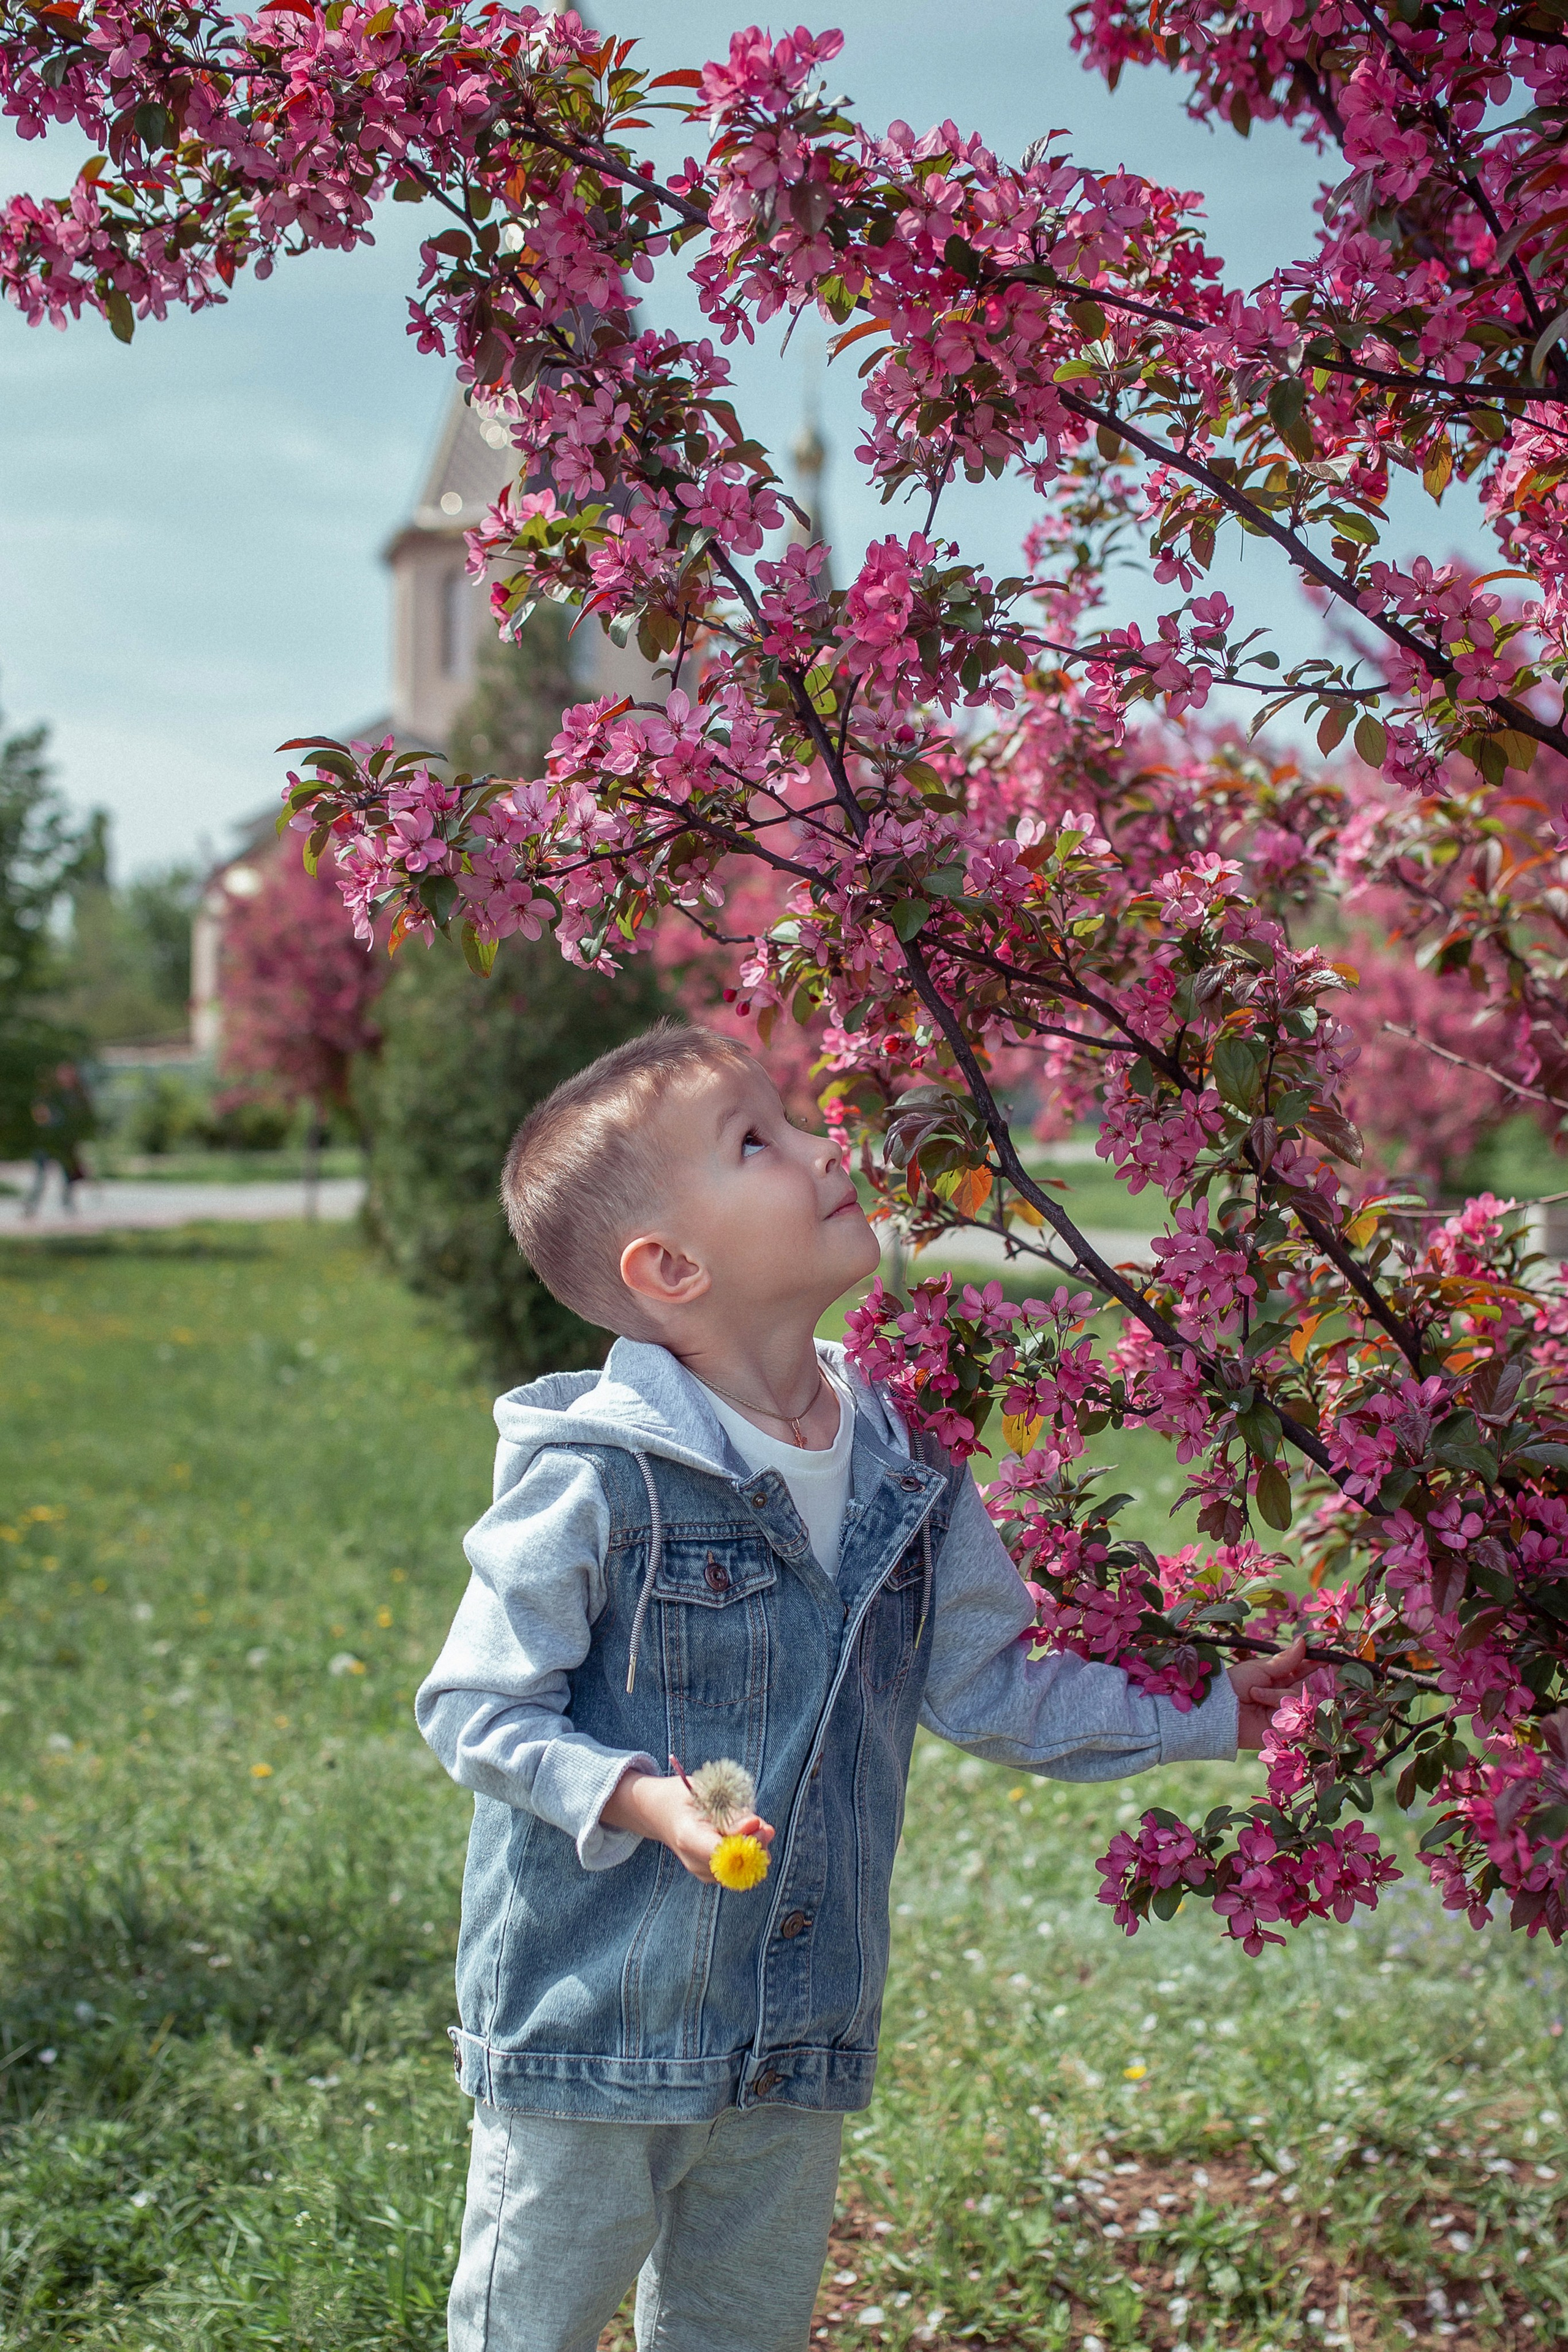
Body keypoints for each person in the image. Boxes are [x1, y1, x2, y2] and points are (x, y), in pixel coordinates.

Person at [417, 1024, 1305, 2352]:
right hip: (592, 2033)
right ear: (670, 1269)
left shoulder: (906, 1463)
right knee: (523, 2331)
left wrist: (1205, 1712)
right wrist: (638, 1802)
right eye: (755, 1143)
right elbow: (474, 1709)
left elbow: (987, 1686)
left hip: (794, 2035)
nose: (824, 1147)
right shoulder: (598, 1476)